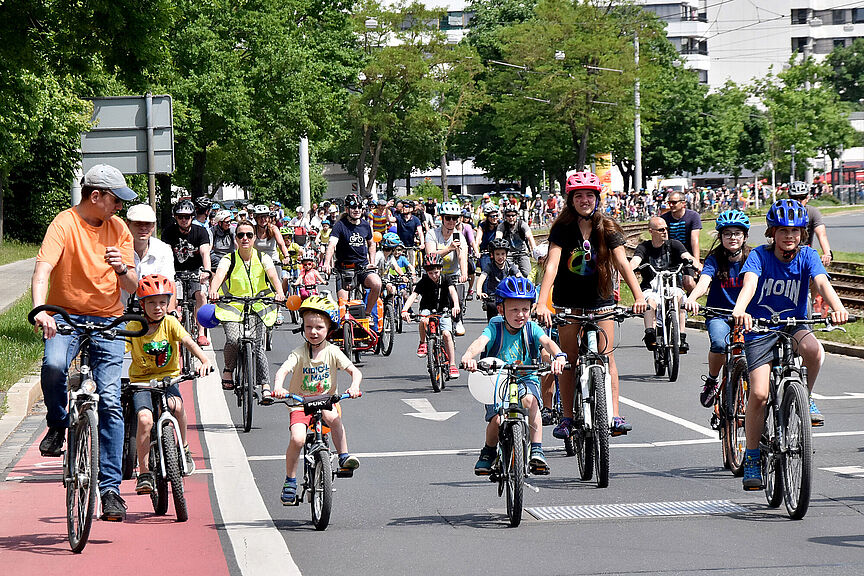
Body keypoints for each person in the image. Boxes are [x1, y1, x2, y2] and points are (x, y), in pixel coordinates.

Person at [31, 163, 139, 521]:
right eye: (115, 200)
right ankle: (59, 422)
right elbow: (42, 270)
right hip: (65, 316)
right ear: (96, 196)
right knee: (55, 366)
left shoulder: (119, 229)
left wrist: (122, 269)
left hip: (107, 319)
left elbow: (134, 287)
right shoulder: (64, 224)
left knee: (109, 399)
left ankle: (110, 491)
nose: (119, 207)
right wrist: (40, 311)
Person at [732, 199, 849, 489]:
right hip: (759, 328)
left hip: (794, 325)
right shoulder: (759, 255)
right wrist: (741, 309)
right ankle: (753, 456)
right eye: (783, 230)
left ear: (802, 234)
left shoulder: (808, 255)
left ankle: (804, 396)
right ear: (772, 232)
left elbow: (822, 283)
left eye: (795, 231)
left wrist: (837, 307)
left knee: (813, 350)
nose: (789, 236)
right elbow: (749, 284)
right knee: (758, 394)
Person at [536, 171, 647, 437]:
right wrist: (542, 303)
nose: (584, 200)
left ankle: (615, 414)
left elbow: (622, 263)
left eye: (589, 195)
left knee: (607, 357)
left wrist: (639, 296)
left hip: (600, 300)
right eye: (578, 196)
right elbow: (552, 265)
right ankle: (567, 417)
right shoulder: (562, 229)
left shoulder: (607, 227)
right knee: (568, 359)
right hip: (569, 302)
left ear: (597, 198)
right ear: (570, 200)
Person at [461, 277, 566, 475]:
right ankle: (488, 451)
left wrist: (558, 356)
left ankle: (537, 449)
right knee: (498, 420)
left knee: (531, 401)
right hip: (496, 379)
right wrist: (468, 356)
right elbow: (481, 342)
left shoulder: (532, 327)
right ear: (501, 309)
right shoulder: (495, 325)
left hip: (526, 377)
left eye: (525, 309)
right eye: (514, 310)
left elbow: (547, 343)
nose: (520, 315)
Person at [127, 275, 212, 494]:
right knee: (145, 420)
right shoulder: (134, 326)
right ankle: (144, 472)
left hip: (168, 379)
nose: (158, 307)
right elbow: (120, 350)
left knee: (177, 406)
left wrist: (204, 360)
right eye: (152, 302)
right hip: (142, 382)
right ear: (142, 304)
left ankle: (183, 447)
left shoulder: (170, 322)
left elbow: (188, 342)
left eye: (163, 302)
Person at [272, 296, 362, 504]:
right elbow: (283, 370)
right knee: (298, 439)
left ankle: (344, 456)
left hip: (325, 401)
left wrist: (354, 385)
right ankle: (290, 480)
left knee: (336, 420)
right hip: (299, 404)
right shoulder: (298, 353)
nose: (313, 332)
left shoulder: (333, 351)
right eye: (308, 327)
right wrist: (278, 387)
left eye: (319, 327)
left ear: (329, 328)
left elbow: (354, 372)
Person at [208, 220, 286, 402]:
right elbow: (219, 275)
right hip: (231, 306)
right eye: (241, 235)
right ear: (236, 239)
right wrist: (213, 290)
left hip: (258, 306)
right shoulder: (229, 259)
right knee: (233, 340)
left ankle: (265, 385)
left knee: (257, 345)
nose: (245, 238)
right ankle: (228, 370)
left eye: (249, 235)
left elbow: (273, 276)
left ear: (254, 239)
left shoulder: (262, 257)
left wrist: (279, 293)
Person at [683, 210, 751, 407]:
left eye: (737, 233)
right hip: (718, 315)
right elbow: (704, 283)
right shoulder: (715, 259)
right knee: (720, 344)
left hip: (747, 315)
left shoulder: (753, 257)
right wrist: (692, 298)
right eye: (727, 233)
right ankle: (712, 380)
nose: (732, 238)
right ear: (720, 236)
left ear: (745, 236)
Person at [629, 217, 700, 354]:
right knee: (650, 302)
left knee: (679, 297)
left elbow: (687, 256)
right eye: (661, 230)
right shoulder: (644, 247)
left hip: (672, 285)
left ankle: (681, 336)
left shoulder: (674, 244)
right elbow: (635, 260)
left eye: (666, 229)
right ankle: (650, 333)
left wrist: (697, 266)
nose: (665, 232)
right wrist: (631, 268)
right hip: (651, 287)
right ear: (651, 231)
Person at [401, 253, 461, 378]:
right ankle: (423, 343)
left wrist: (456, 305)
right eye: (430, 273)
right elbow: (414, 295)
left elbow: (452, 291)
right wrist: (405, 310)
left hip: (443, 310)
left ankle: (452, 365)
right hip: (427, 309)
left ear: (440, 269)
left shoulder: (446, 278)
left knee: (446, 334)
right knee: (423, 320)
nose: (433, 276)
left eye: (436, 272)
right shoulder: (424, 281)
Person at [162, 199, 212, 346]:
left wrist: (207, 271)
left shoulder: (200, 231)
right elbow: (165, 253)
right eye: (180, 216)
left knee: (200, 295)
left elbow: (205, 253)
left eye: (187, 216)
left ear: (192, 217)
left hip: (196, 271)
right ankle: (175, 332)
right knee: (174, 301)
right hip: (175, 271)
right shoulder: (169, 231)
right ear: (175, 217)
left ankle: (201, 333)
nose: (184, 220)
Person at [323, 193, 383, 318]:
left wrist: (372, 262)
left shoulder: (365, 225)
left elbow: (372, 244)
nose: (357, 210)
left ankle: (367, 314)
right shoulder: (340, 225)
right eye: (353, 207)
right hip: (344, 269)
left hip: (363, 267)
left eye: (359, 207)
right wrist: (326, 263)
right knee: (344, 308)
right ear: (347, 209)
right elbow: (331, 246)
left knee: (377, 284)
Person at [426, 201, 469, 336]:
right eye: (448, 218)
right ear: (442, 218)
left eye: (455, 218)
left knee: (458, 294)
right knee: (431, 304)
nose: (451, 221)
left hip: (452, 274)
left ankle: (457, 320)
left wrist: (464, 273)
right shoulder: (432, 234)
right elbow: (431, 255)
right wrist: (449, 248)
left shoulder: (459, 236)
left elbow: (462, 257)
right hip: (435, 274)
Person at [124, 203, 176, 311]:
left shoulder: (163, 250)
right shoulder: (117, 248)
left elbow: (170, 284)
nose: (143, 228)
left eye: (147, 224)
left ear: (153, 226)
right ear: (127, 224)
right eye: (138, 224)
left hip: (153, 314)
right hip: (120, 312)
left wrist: (170, 314)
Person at [661, 190, 703, 292]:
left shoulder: (693, 216)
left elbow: (695, 240)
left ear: (683, 203)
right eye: (669, 202)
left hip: (688, 255)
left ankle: (692, 300)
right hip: (670, 256)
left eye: (674, 202)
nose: (671, 205)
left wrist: (696, 261)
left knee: (688, 282)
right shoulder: (663, 219)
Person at [476, 239, 521, 320]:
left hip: (507, 294)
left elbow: (519, 276)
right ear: (492, 255)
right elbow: (482, 278)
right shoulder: (489, 266)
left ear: (507, 254)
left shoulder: (510, 265)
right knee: (491, 307)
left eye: (503, 254)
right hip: (493, 295)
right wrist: (479, 292)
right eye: (497, 254)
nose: (500, 257)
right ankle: (492, 328)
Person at [495, 205, 536, 276]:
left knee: (527, 273)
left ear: (516, 215)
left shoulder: (521, 224)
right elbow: (498, 237)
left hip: (522, 253)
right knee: (505, 274)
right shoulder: (502, 226)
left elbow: (529, 236)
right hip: (508, 254)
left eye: (513, 215)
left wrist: (534, 250)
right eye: (508, 215)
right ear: (505, 216)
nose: (511, 218)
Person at [395, 200, 424, 269]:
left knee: (411, 263)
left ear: (411, 209)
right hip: (400, 244)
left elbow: (420, 232)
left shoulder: (416, 219)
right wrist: (387, 209)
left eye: (406, 206)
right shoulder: (399, 217)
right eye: (403, 206)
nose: (404, 208)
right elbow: (389, 219)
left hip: (410, 244)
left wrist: (422, 243)